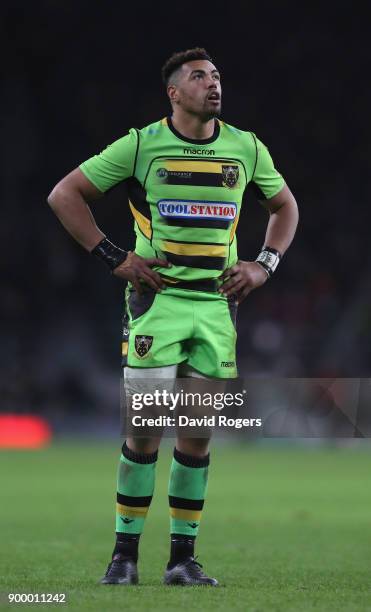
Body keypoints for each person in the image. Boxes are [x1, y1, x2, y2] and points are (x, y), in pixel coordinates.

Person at [47, 47, 298, 587]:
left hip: (215, 307)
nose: (213, 84)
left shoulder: (246, 148)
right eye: (199, 77)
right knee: (144, 432)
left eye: (217, 76)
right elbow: (66, 194)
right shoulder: (141, 145)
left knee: (197, 436)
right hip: (157, 306)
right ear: (174, 93)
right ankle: (123, 558)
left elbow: (285, 207)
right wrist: (116, 257)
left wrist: (264, 265)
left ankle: (182, 561)